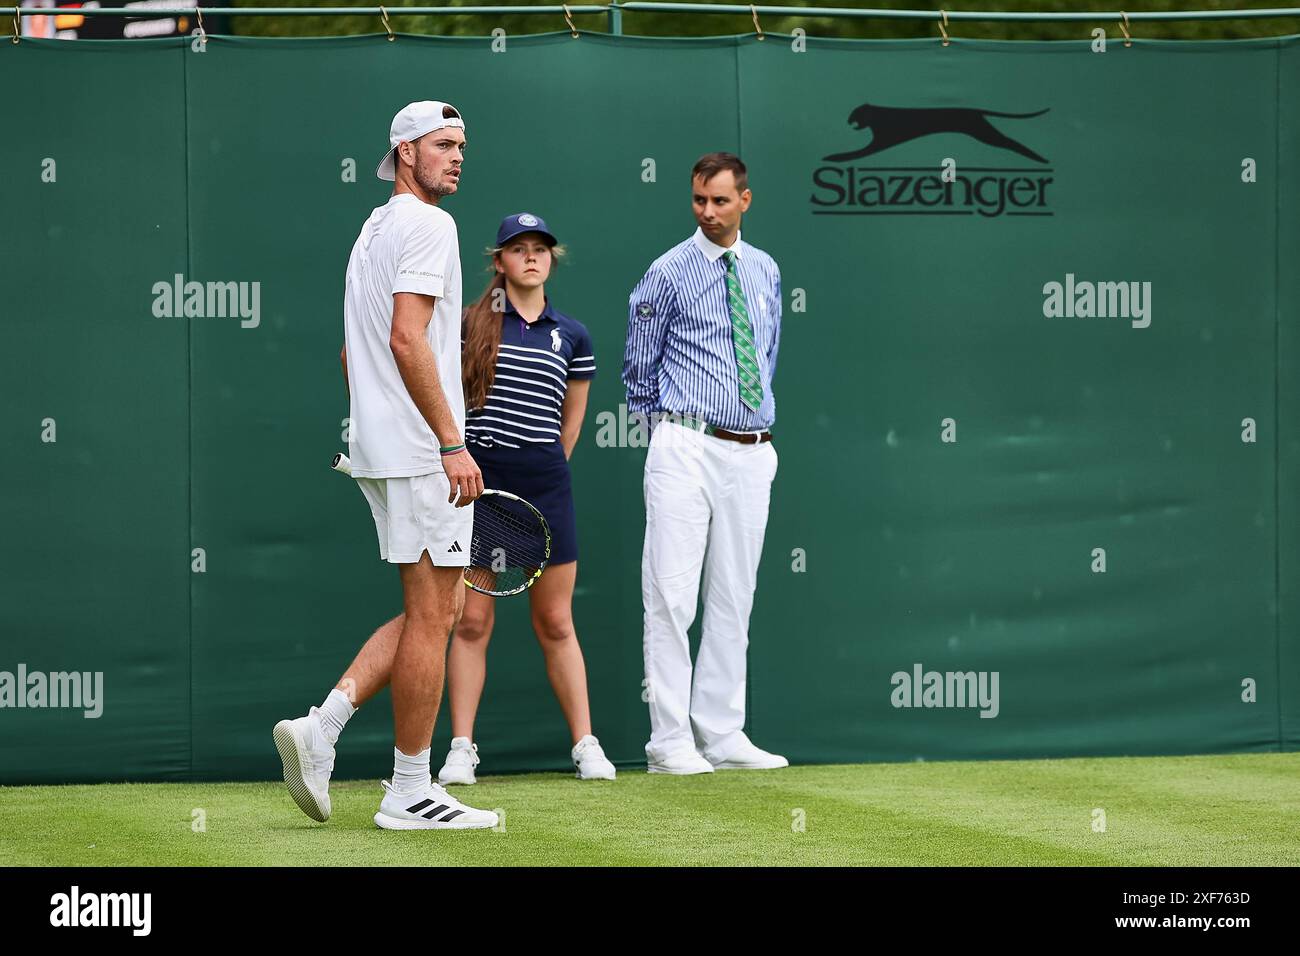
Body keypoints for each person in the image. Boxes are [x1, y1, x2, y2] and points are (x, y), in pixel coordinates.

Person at [273, 100, 499, 830]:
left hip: (379, 446)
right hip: (419, 451)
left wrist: (381, 424)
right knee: (437, 616)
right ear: (405, 152)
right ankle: (408, 790)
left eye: (462, 145)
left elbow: (354, 352)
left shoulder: (372, 230)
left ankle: (324, 727)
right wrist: (448, 441)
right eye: (442, 145)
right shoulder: (430, 225)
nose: (457, 156)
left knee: (435, 609)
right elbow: (407, 339)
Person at [622, 152, 788, 775]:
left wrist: (748, 424)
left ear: (746, 199)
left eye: (720, 200)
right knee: (670, 595)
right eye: (699, 200)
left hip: (753, 448)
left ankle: (722, 733)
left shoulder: (767, 270)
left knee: (734, 595)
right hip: (685, 442)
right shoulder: (667, 271)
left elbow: (766, 354)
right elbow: (638, 366)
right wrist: (668, 431)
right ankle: (669, 741)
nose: (708, 212)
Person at [437, 213, 616, 784]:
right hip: (481, 483)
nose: (531, 258)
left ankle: (586, 745)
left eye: (541, 249)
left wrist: (542, 464)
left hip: (545, 484)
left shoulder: (574, 335)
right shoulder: (468, 324)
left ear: (551, 259)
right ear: (500, 261)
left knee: (557, 622)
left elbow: (572, 421)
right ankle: (461, 748)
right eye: (519, 250)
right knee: (471, 622)